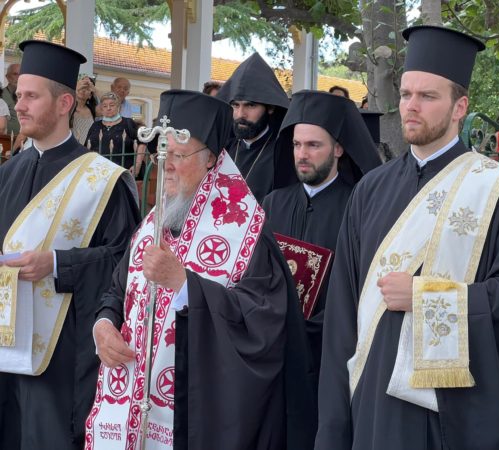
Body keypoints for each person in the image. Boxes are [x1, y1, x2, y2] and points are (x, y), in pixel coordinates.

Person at [315, 25, 499, 450]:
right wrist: (334, 425)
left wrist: (426, 297)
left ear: (460, 107)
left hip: (445, 416)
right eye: (406, 94)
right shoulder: (370, 189)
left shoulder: (497, 190)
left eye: (427, 96)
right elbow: (342, 316)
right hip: (369, 400)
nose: (411, 106)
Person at [86, 89, 316, 450]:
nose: (167, 165)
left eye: (178, 154)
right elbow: (118, 291)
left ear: (211, 159)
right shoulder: (154, 223)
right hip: (130, 402)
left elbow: (262, 324)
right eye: (162, 154)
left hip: (195, 414)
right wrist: (102, 326)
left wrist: (184, 284)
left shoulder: (244, 232)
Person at [0, 40, 140, 450]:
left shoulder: (103, 181)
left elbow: (124, 262)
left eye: (31, 96)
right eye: (18, 96)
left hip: (62, 353)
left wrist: (59, 264)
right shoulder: (8, 172)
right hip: (6, 344)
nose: (19, 106)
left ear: (64, 103)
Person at [263, 90, 381, 377]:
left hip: (332, 350)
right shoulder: (273, 203)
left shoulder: (359, 207)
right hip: (274, 345)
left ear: (338, 149)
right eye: (297, 144)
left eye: (313, 145)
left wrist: (312, 328)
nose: (302, 155)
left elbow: (363, 284)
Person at [217, 52, 289, 203]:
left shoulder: (282, 155)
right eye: (235, 105)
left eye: (250, 105)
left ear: (270, 108)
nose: (240, 114)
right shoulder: (223, 150)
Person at [85, 91, 146, 179]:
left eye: (112, 105)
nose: (108, 108)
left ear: (118, 107)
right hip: (99, 173)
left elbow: (142, 143)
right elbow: (87, 147)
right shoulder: (95, 125)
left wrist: (137, 164)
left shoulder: (128, 123)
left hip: (123, 173)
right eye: (105, 106)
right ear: (101, 109)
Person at [71, 75, 97, 144]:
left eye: (87, 88)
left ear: (90, 96)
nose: (83, 90)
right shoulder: (69, 106)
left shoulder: (92, 109)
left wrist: (95, 90)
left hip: (86, 148)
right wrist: (76, 88)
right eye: (82, 87)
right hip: (71, 146)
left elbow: (110, 103)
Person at [2, 63, 20, 135]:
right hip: (6, 139)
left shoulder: (28, 96)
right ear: (7, 77)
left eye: (21, 74)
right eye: (15, 74)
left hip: (27, 140)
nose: (18, 77)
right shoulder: (1, 96)